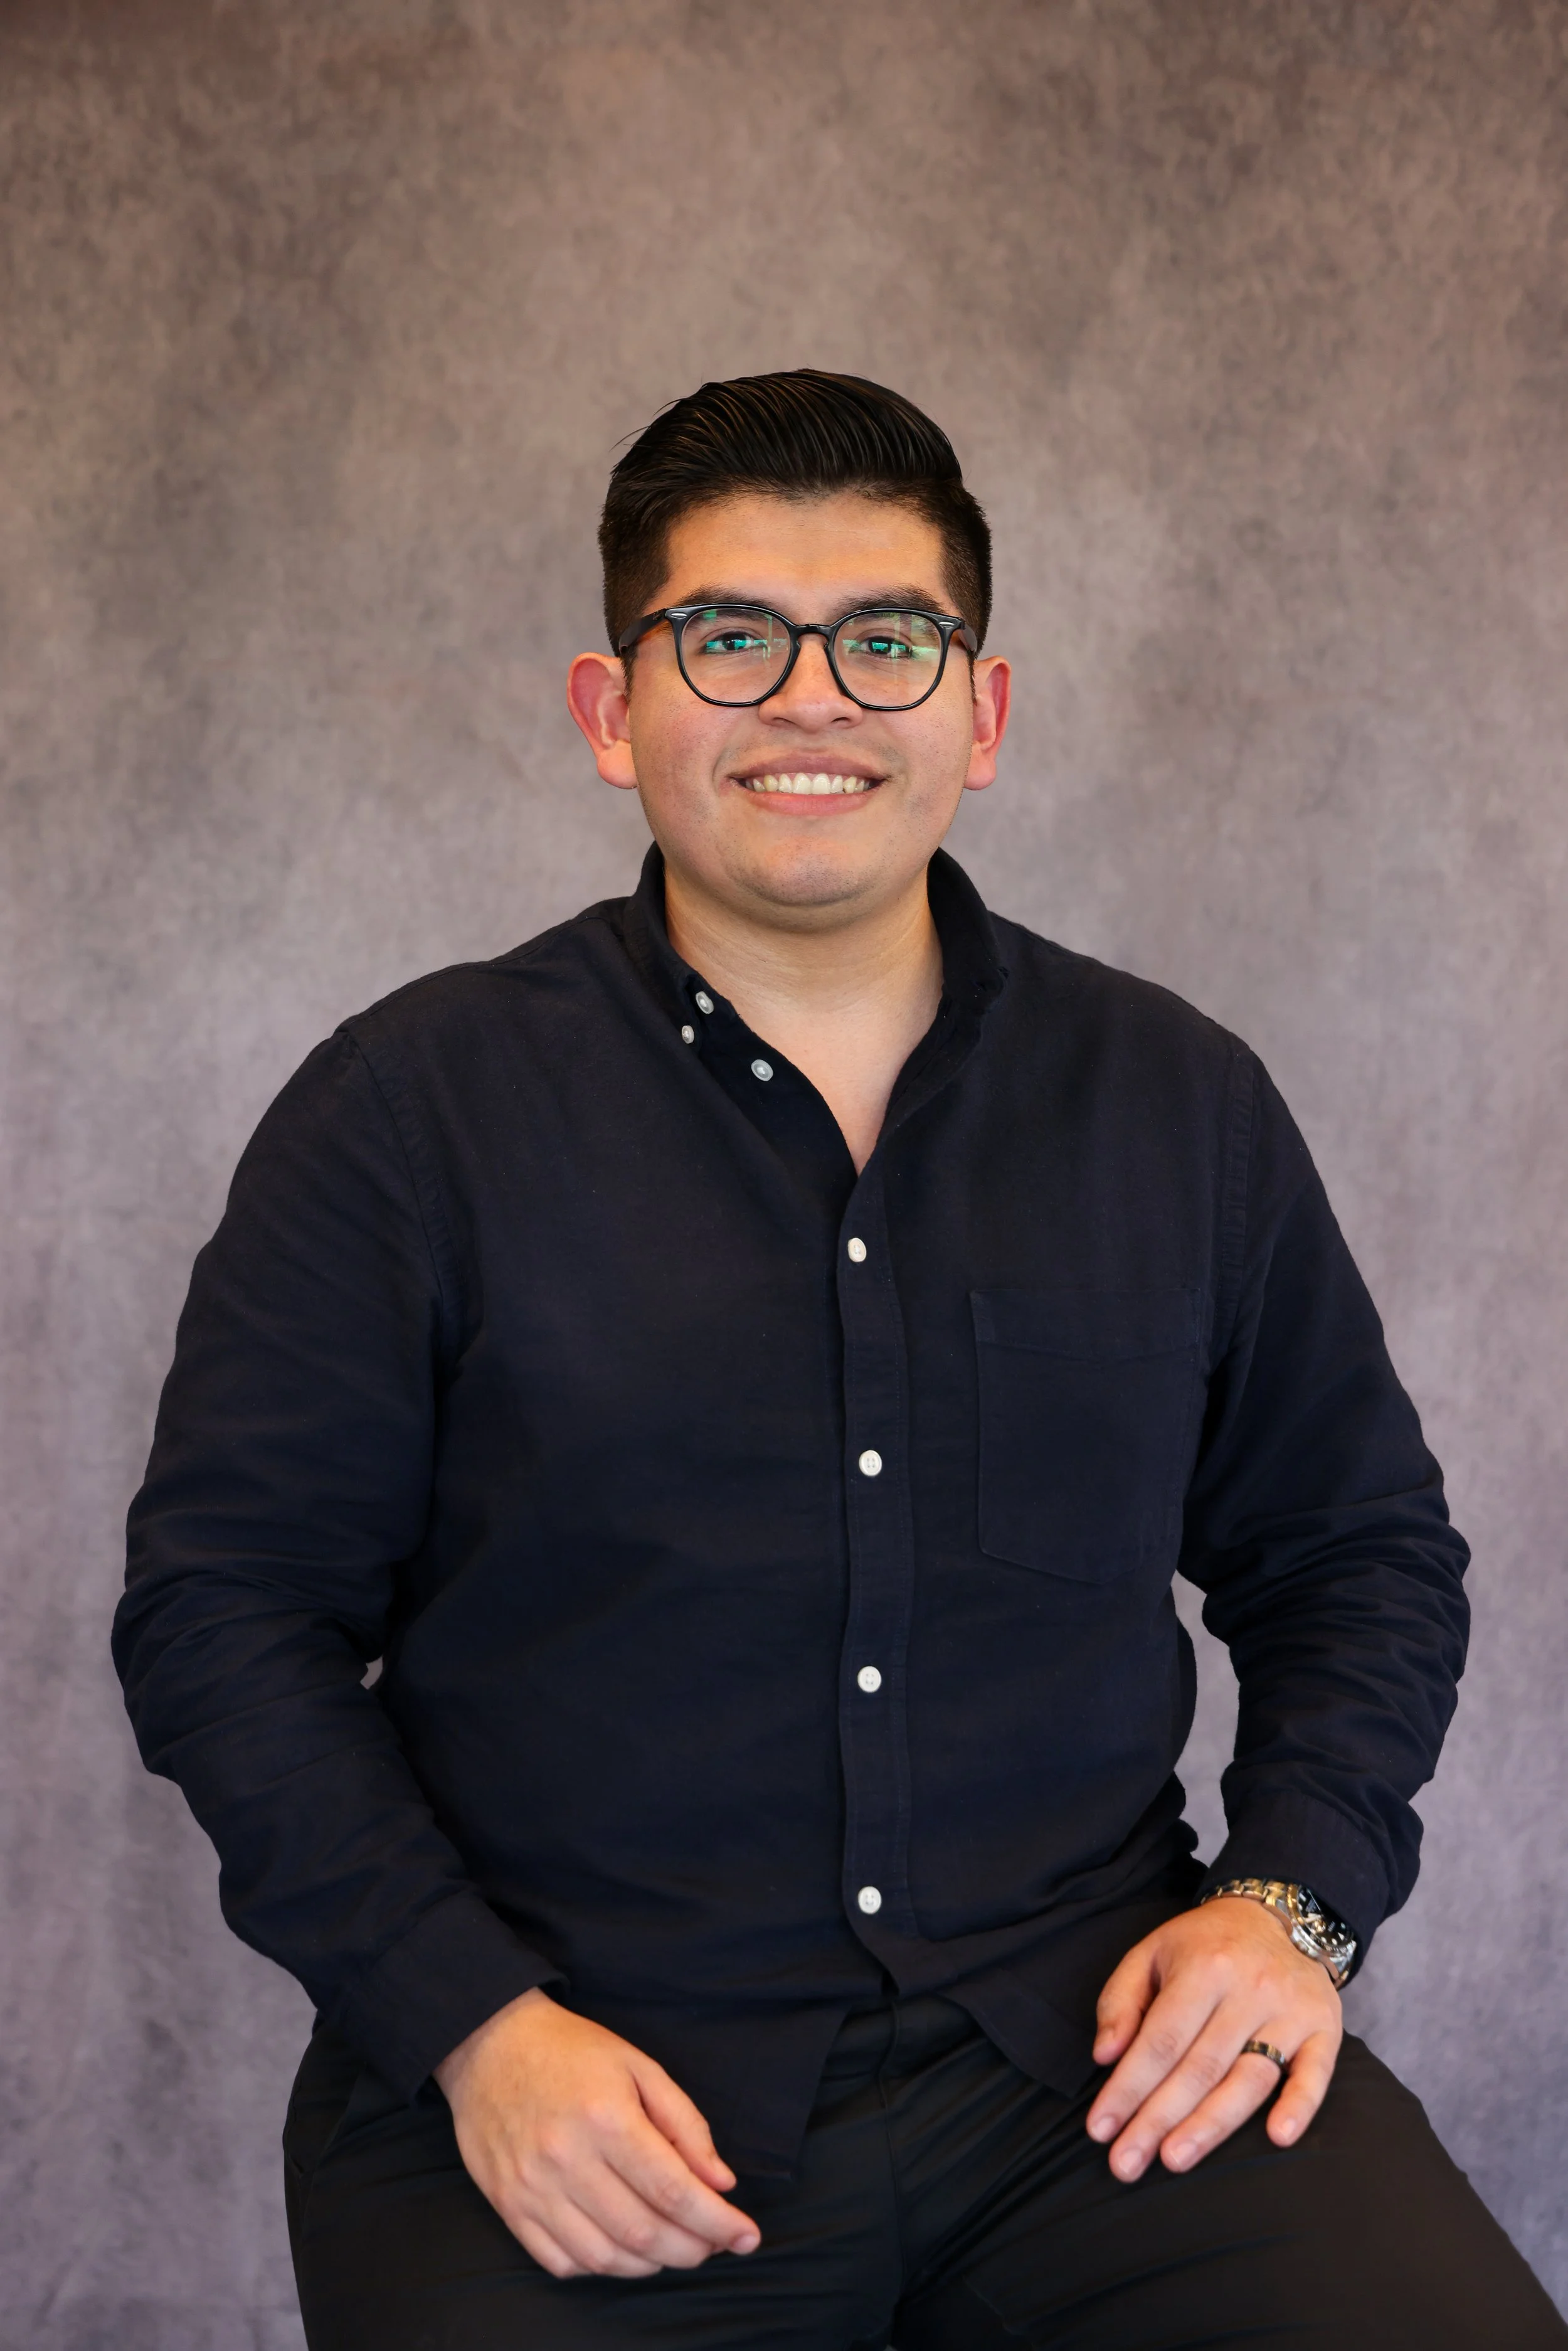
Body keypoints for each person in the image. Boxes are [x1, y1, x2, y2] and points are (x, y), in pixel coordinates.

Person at [114, 371, 1565, 2348]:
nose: (812, 697)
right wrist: (465, 2023)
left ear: (976, 711)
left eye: (885, 639)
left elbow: (1358, 1552)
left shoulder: (1176, 1101)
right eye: (729, 636)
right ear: (608, 709)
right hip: (577, 2076)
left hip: (1090, 2063)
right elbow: (225, 1612)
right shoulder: (405, 1113)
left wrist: (1289, 1901)